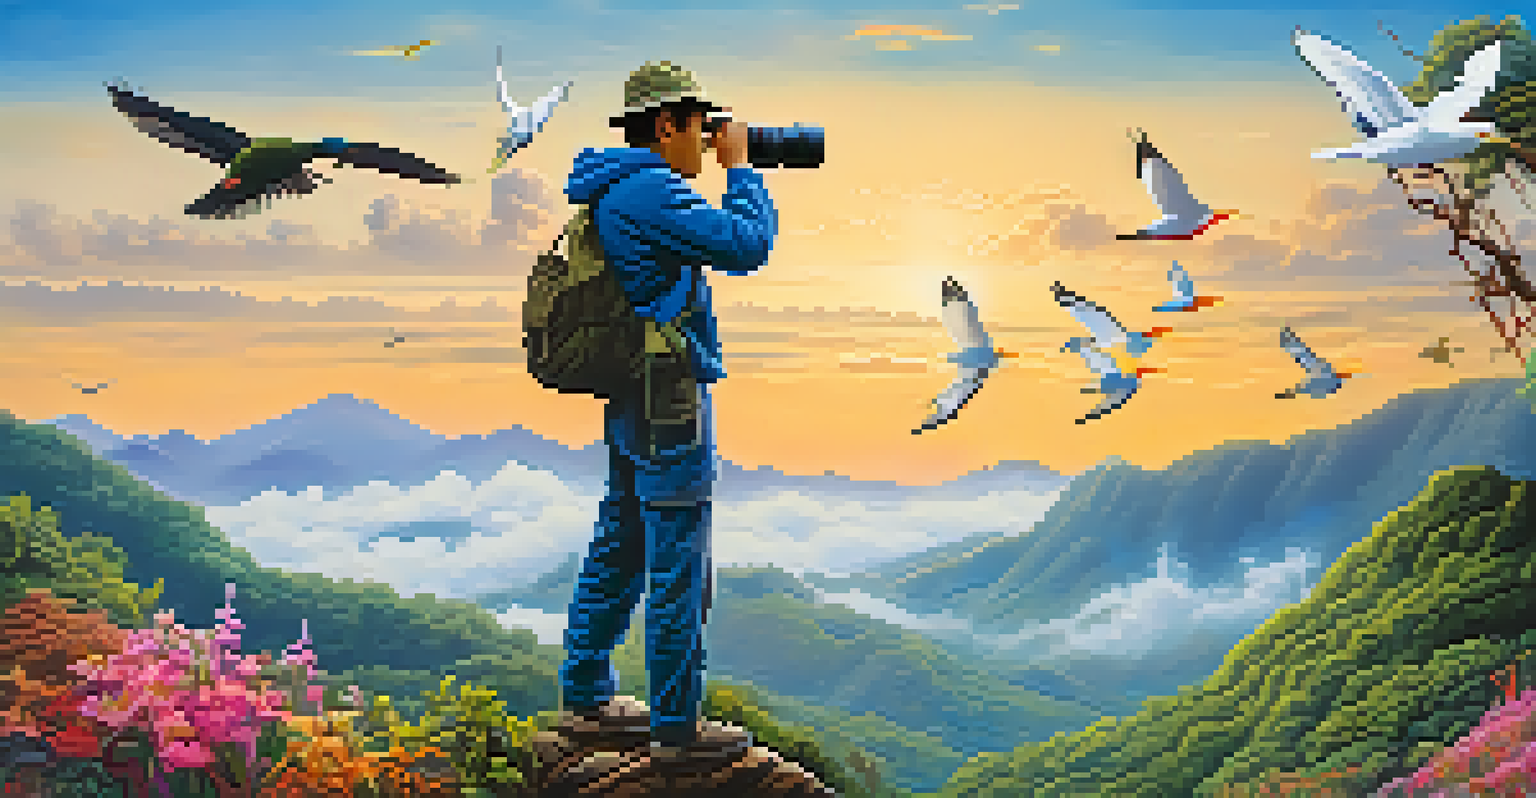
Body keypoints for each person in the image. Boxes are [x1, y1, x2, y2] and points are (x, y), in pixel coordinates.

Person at [558, 60, 778, 752]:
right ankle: (677, 731)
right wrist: (742, 170)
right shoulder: (650, 189)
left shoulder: (611, 186)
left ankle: (587, 693)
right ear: (666, 124)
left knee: (620, 544)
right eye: (699, 127)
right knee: (678, 561)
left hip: (631, 396)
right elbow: (748, 245)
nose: (705, 143)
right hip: (670, 401)